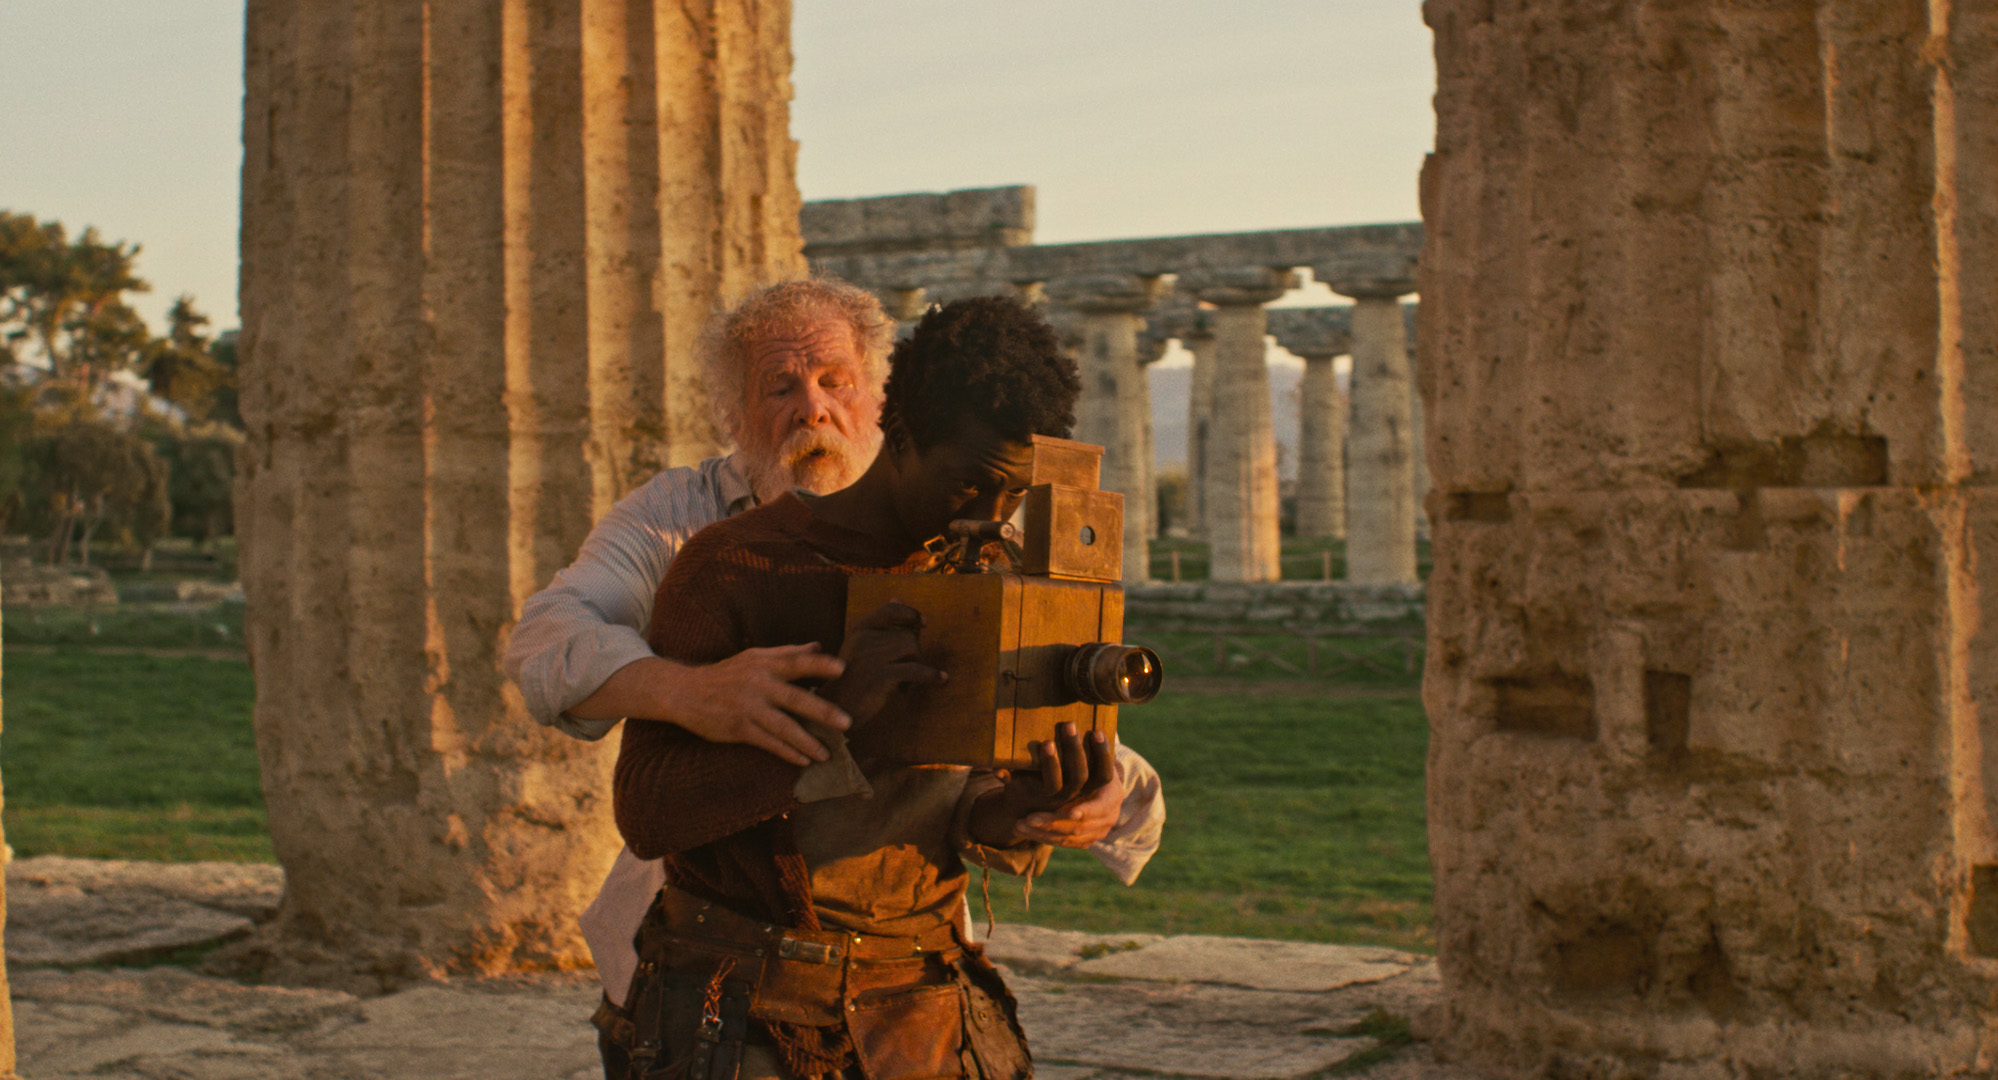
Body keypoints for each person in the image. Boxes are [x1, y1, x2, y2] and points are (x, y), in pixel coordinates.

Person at [499, 281, 1165, 1068]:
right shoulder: (700, 538)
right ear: (734, 414)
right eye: (779, 387)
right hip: (733, 977)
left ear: (881, 401)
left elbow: (953, 792)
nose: (811, 409)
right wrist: (699, 694)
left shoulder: (979, 550)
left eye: (834, 382)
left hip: (916, 993)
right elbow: (555, 658)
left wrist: (1043, 801)